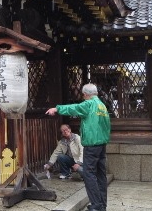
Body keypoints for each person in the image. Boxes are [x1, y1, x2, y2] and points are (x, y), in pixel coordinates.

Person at [45, 83, 111, 211]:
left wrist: (57, 109)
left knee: (89, 174)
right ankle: (102, 205)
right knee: (101, 175)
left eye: (83, 95)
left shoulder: (89, 104)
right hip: (102, 145)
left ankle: (96, 206)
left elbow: (74, 108)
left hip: (92, 144)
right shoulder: (102, 106)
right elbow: (107, 126)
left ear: (85, 94)